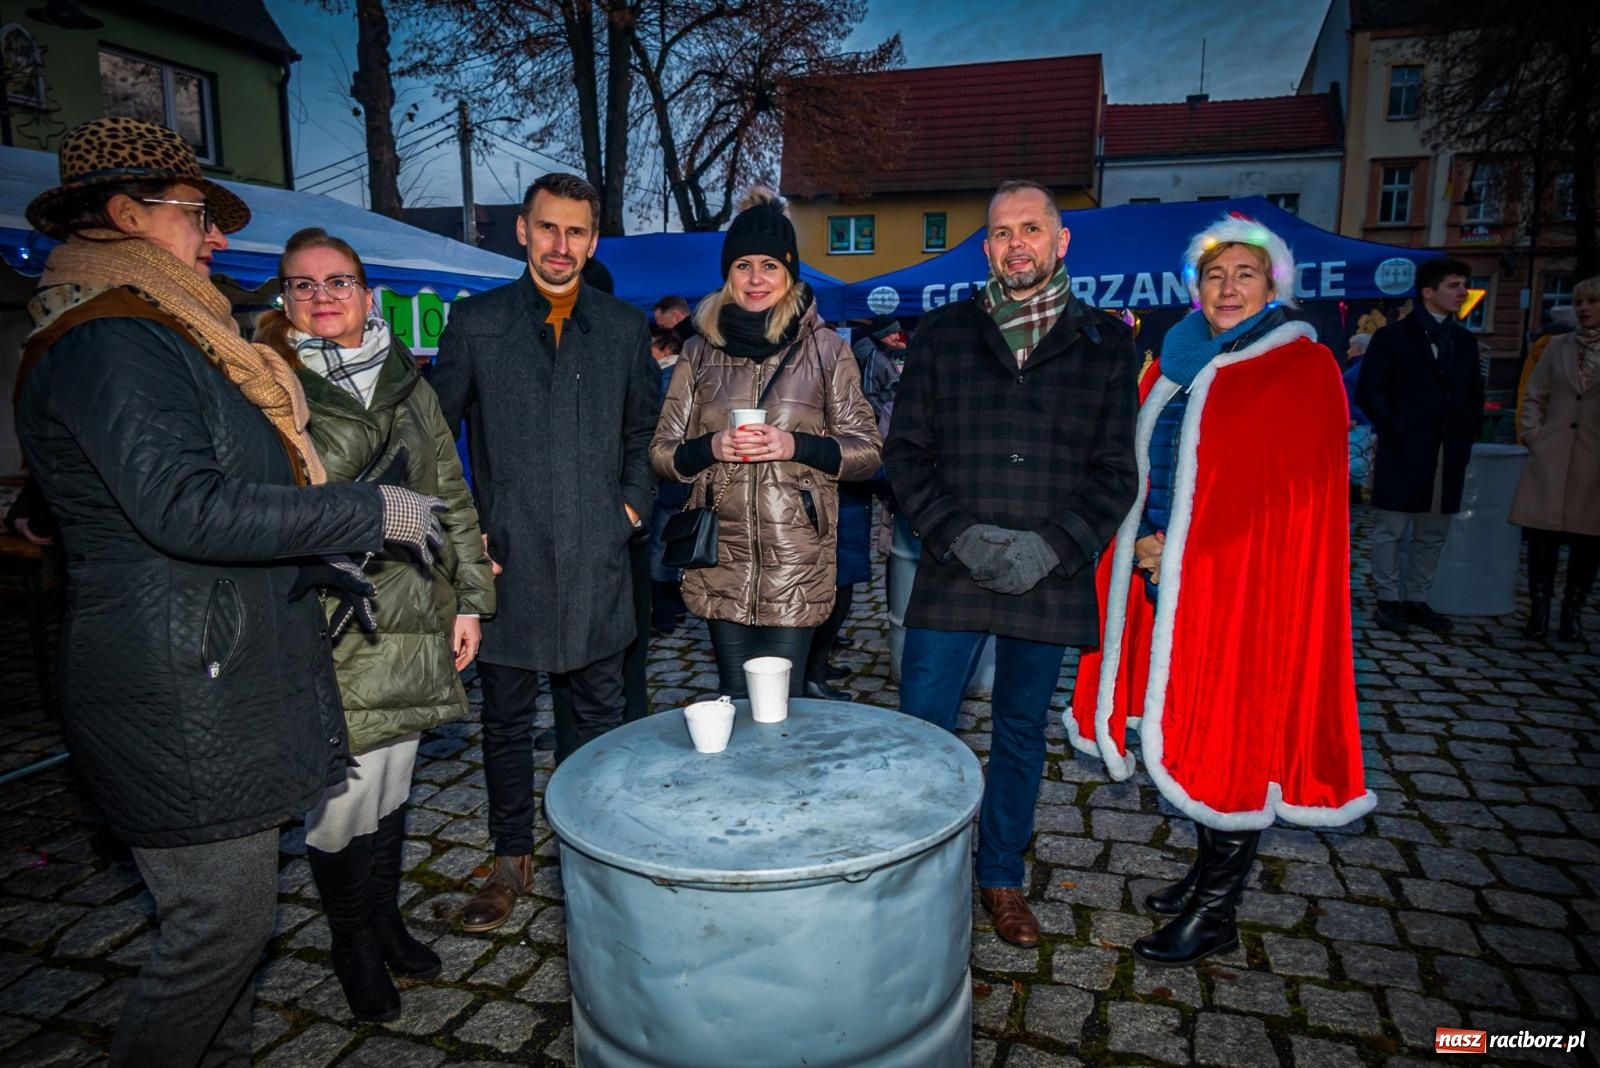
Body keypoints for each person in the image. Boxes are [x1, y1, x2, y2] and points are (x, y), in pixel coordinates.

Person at [13, 117, 444, 1066]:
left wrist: (312, 560)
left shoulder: (169, 330)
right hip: (177, 684)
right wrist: (362, 513)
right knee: (217, 931)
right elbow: (185, 508)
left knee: (235, 936)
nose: (214, 238)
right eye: (196, 214)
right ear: (128, 214)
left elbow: (190, 495)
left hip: (211, 661)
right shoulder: (112, 338)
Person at [1069, 215, 1375, 967]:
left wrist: (1187, 551)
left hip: (1243, 591)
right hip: (1159, 575)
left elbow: (1293, 502)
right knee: (1184, 717)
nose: (1228, 288)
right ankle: (1207, 873)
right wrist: (1141, 542)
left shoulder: (1300, 367)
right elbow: (1143, 464)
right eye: (1214, 275)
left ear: (1274, 285)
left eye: (1245, 274)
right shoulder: (1175, 359)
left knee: (1234, 729)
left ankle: (1217, 911)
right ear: (1195, 287)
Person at [884, 179, 1138, 948]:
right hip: (953, 568)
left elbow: (1115, 473)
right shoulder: (940, 333)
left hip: (1046, 574)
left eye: (1030, 229)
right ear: (986, 247)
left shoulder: (1105, 342)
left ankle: (1001, 876)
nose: (1015, 244)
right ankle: (914, 875)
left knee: (1022, 730)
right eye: (1001, 232)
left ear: (1061, 242)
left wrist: (1052, 546)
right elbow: (906, 455)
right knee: (924, 729)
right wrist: (958, 536)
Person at [256, 227, 496, 1020]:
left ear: (367, 295)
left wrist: (470, 600)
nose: (322, 296)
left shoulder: (408, 382)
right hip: (333, 614)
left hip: (415, 609)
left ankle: (384, 919)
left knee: (393, 780)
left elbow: (450, 493)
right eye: (303, 284)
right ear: (285, 299)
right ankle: (351, 941)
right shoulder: (266, 381)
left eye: (339, 282)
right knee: (342, 797)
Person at [430, 172, 658, 934]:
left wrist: (628, 509)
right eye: (549, 228)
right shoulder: (477, 323)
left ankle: (595, 851)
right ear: (523, 230)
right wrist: (465, 536)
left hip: (597, 560)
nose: (562, 245)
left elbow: (643, 434)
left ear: (593, 241)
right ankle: (511, 859)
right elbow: (432, 441)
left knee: (599, 719)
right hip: (509, 561)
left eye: (577, 231)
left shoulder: (623, 328)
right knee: (504, 720)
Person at [649, 188, 880, 696]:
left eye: (769, 265)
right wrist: (711, 448)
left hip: (797, 559)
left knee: (782, 706)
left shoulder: (825, 350)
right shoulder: (698, 351)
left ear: (789, 272)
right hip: (718, 557)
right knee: (736, 697)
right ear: (728, 275)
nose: (756, 279)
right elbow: (662, 454)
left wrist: (794, 446)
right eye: (743, 266)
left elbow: (867, 453)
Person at [1356, 257, 1484, 634]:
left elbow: (1473, 395)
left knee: (1432, 532)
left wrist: (1465, 433)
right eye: (1454, 285)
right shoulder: (1392, 337)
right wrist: (1396, 429)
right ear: (1428, 292)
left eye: (1463, 284)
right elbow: (1370, 391)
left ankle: (1416, 598)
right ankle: (1387, 599)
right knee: (1392, 528)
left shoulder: (1464, 341)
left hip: (1448, 451)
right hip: (1404, 449)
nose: (1463, 292)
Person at [1510, 275, 1600, 640]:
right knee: (1542, 536)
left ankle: (1572, 613)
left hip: (1593, 458)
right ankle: (1539, 610)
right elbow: (1535, 395)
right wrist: (1534, 436)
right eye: (1579, 302)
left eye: (1592, 302)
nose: (1584, 308)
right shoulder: (1557, 346)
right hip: (1553, 453)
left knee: (1588, 539)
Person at [646, 327, 692, 634]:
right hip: (686, 468)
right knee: (675, 540)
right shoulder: (689, 372)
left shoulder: (664, 377)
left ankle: (663, 613)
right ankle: (675, 606)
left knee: (660, 543)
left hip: (668, 471)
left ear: (664, 348)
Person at [1344, 332, 1375, 503]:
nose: (1348, 351)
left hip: (1357, 425)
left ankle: (1354, 495)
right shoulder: (1372, 368)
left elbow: (1352, 396)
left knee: (1355, 459)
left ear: (1359, 349)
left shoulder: (1356, 371)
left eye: (1351, 347)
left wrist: (1352, 415)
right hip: (1369, 423)